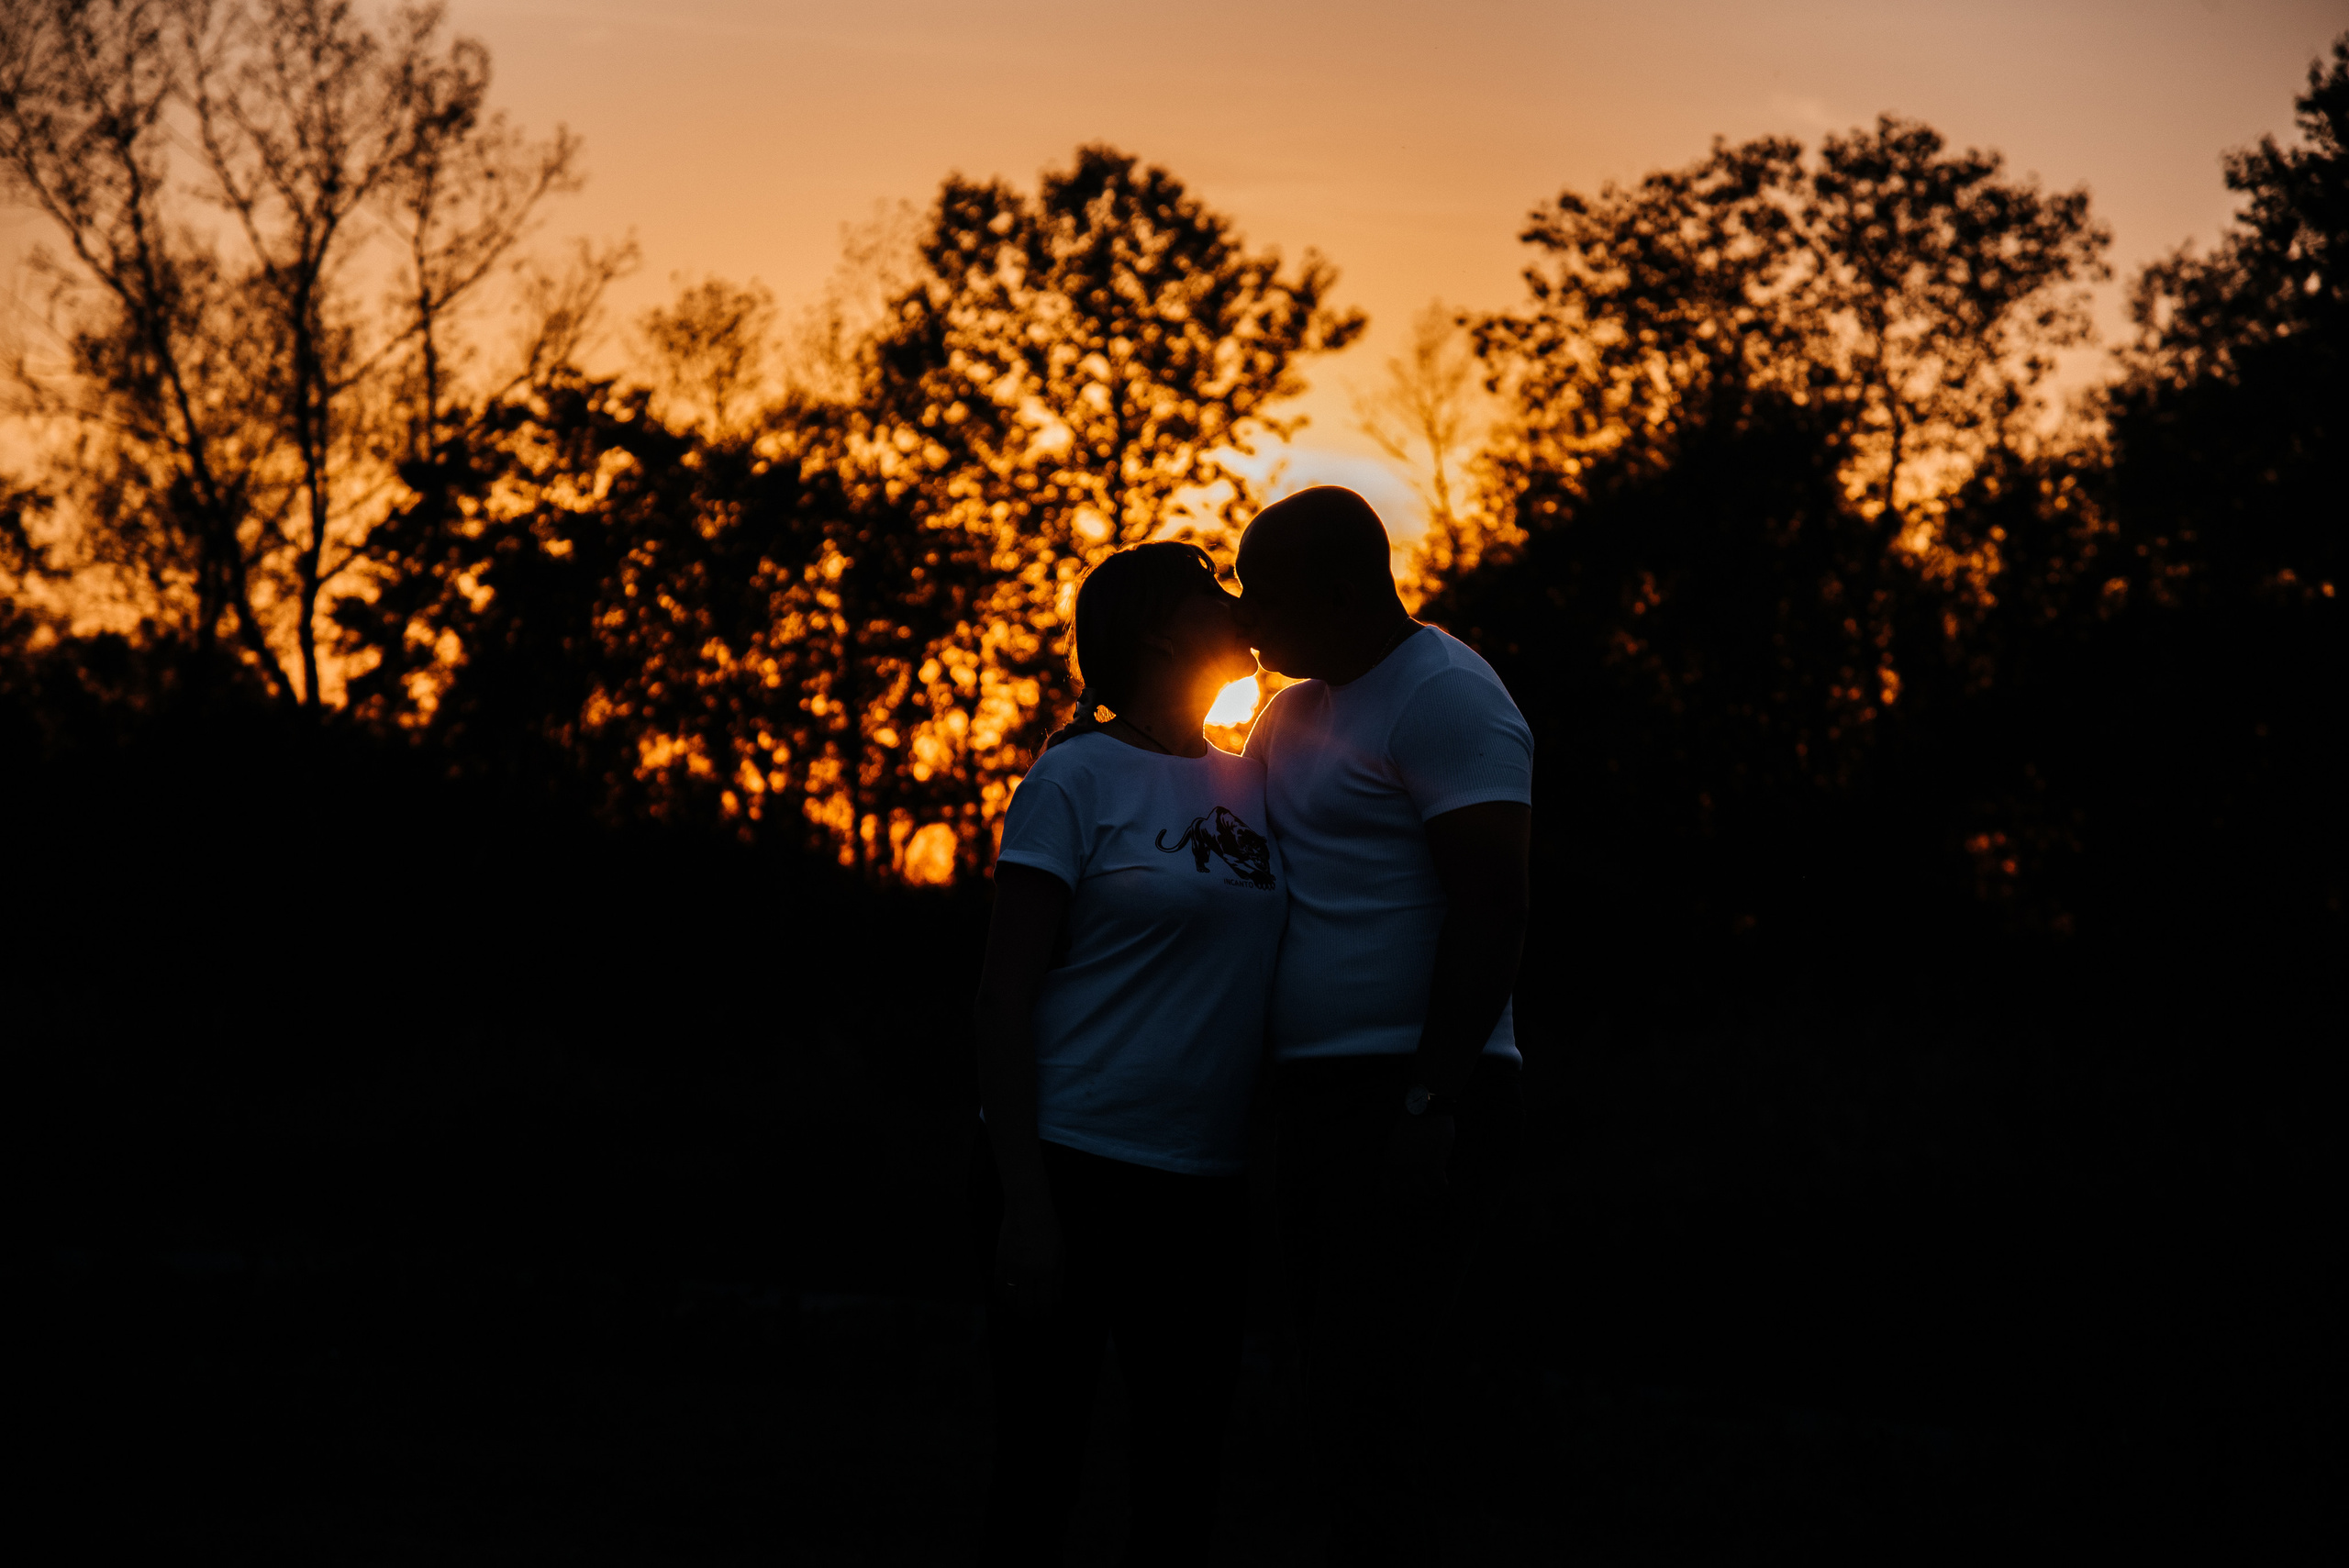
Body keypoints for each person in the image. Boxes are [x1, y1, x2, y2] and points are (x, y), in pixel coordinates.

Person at [1233, 486, 1534, 1564]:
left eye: (1264, 593)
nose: (1246, 617)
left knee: (1384, 1381)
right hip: (1310, 1093)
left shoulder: (1444, 695)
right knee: (1321, 1372)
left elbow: (1491, 904)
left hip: (1416, 1092)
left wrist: (1429, 1097)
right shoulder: (1287, 713)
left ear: (1338, 591)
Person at [970, 540, 1286, 1566]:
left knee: (1183, 1479)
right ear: (1157, 630)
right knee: (1039, 1471)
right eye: (1212, 590)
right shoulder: (1073, 776)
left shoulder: (1257, 781)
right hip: (1074, 1162)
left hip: (1204, 1183)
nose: (1237, 602)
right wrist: (1025, 1200)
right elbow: (1004, 995)